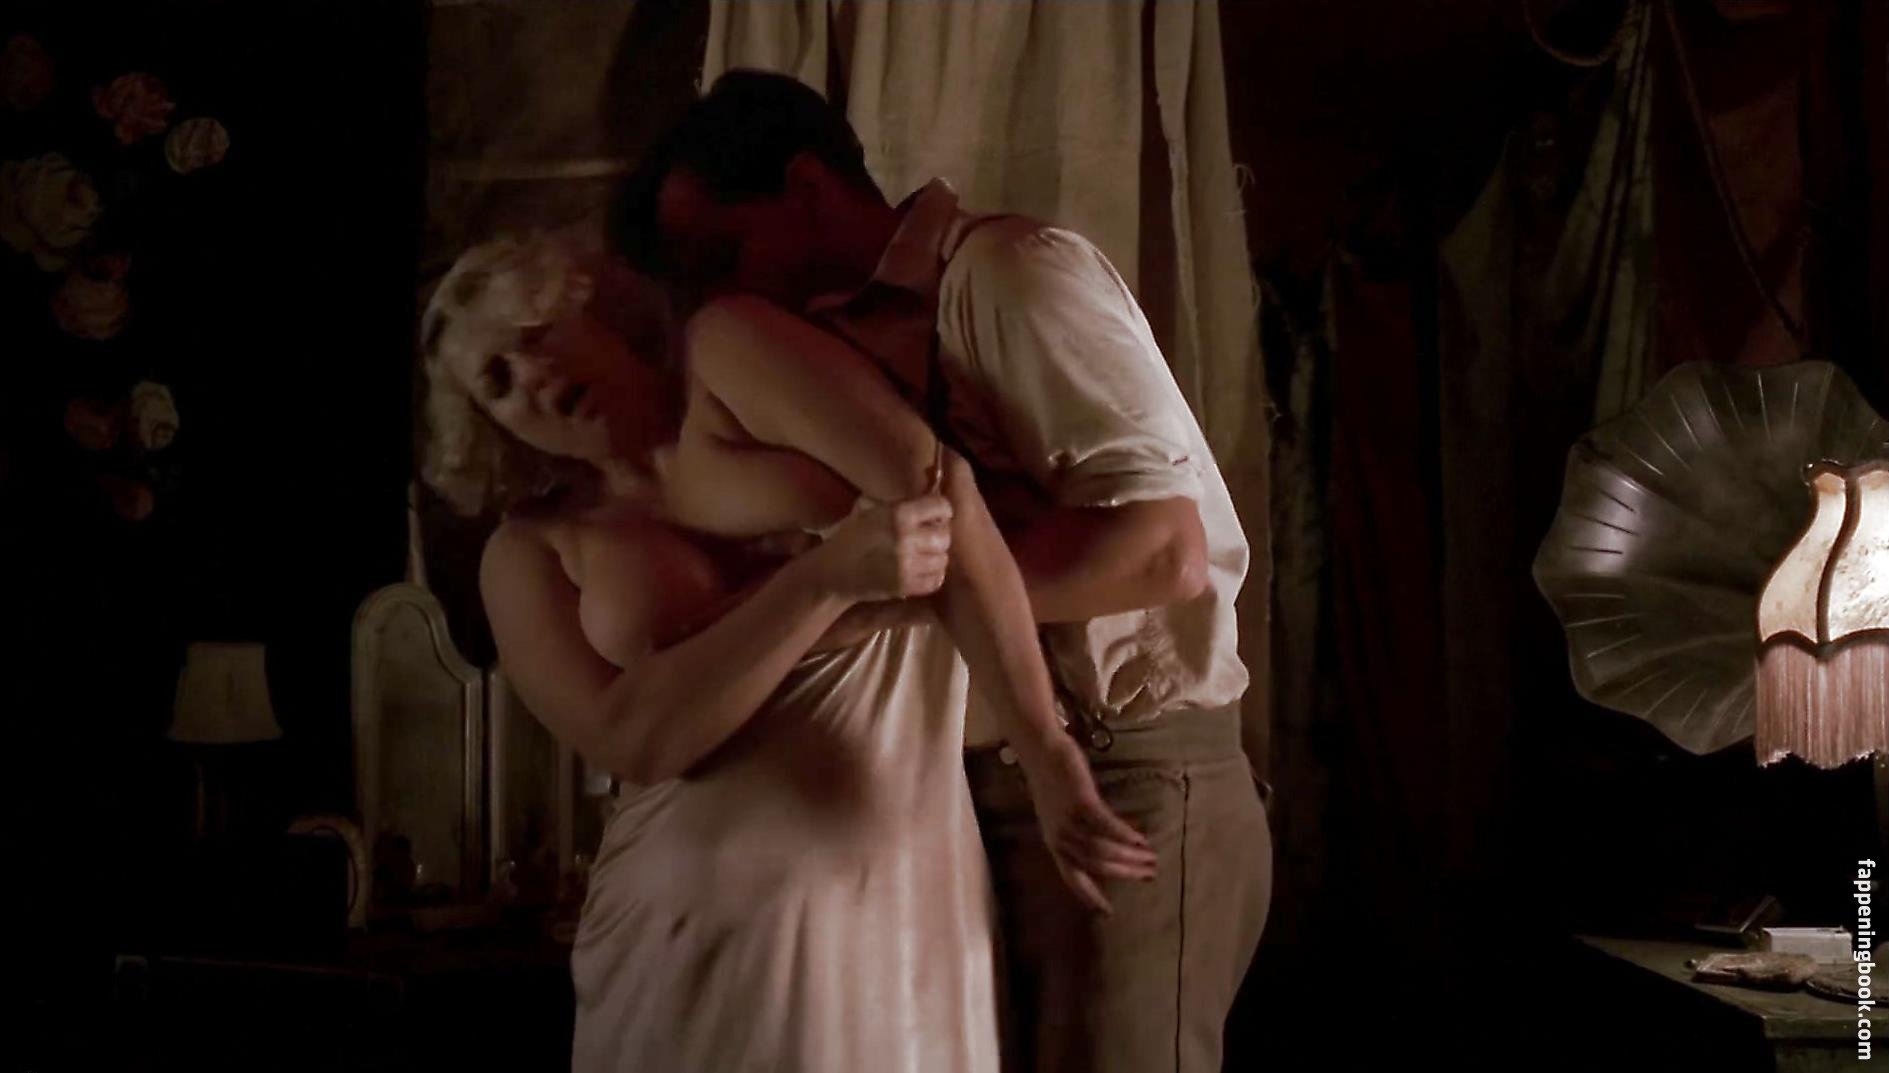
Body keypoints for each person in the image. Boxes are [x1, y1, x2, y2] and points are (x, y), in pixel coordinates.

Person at [611, 68, 1273, 1073]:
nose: (722, 291)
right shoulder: (827, 353)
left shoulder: (1007, 274)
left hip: (1127, 771)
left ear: (806, 186)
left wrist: (889, 596)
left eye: (724, 253)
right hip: (977, 798)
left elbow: (1160, 550)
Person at [418, 235, 1149, 1072]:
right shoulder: (528, 554)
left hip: (894, 889)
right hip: (674, 927)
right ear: (490, 425)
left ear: (584, 305)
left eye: (535, 332)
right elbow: (633, 740)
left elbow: (943, 494)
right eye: (498, 381)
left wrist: (1047, 750)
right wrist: (822, 582)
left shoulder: (728, 355)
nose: (534, 375)